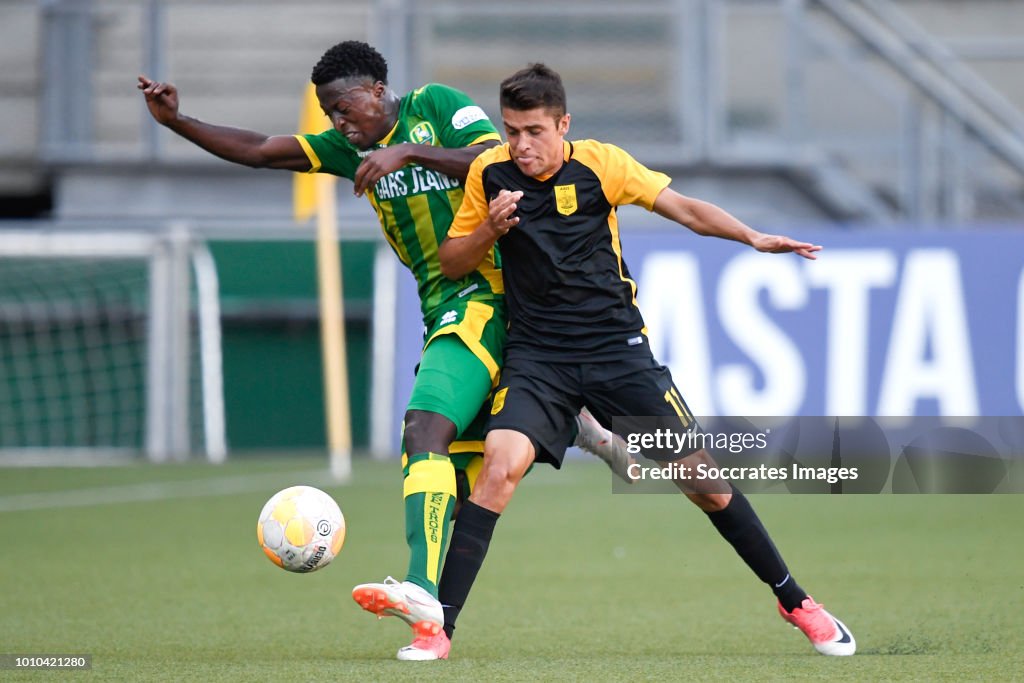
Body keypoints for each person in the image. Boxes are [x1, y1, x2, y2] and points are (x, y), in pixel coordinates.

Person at [138, 42, 632, 661]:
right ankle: (563, 435)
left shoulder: (435, 107)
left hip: (491, 294)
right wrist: (179, 122)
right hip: (447, 309)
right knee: (454, 475)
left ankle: (424, 590)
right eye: (328, 114)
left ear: (376, 90)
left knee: (423, 427)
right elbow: (263, 151)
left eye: (345, 108)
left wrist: (406, 150)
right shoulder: (348, 150)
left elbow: (495, 159)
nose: (339, 125)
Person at [430, 62, 856, 661]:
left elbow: (683, 208)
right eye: (511, 130)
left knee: (704, 483)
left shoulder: (603, 164)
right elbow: (452, 261)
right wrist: (487, 232)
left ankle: (795, 601)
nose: (521, 145)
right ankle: (438, 630)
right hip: (538, 357)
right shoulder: (487, 172)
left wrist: (754, 238)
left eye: (534, 131)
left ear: (563, 124)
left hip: (616, 352)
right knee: (498, 470)